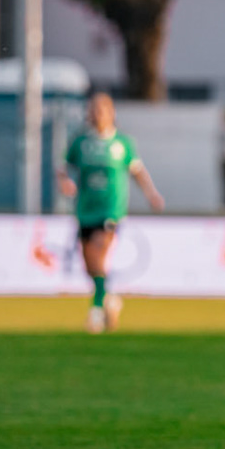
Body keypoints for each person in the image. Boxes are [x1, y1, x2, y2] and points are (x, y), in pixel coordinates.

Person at [58, 93, 163, 333]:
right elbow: (63, 168)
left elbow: (137, 171)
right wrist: (65, 182)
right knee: (89, 265)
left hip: (111, 210)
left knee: (99, 251)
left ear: (111, 112)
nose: (96, 114)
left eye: (101, 109)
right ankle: (109, 299)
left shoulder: (123, 143)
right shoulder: (80, 142)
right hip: (85, 209)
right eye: (93, 109)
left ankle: (95, 311)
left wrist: (151, 194)